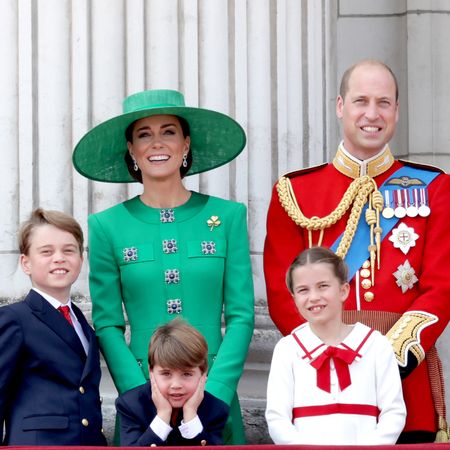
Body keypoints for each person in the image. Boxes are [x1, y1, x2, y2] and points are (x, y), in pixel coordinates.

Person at [264, 59, 450, 443]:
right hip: (318, 382)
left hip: (404, 381)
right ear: (340, 106)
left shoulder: (434, 188)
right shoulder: (294, 192)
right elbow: (284, 293)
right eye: (360, 101)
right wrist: (323, 354)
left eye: (384, 102)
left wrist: (385, 361)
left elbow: (442, 288)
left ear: (396, 110)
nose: (372, 113)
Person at [72, 89, 254, 444]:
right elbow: (107, 322)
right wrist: (141, 393)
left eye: (168, 131)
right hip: (143, 401)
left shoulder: (229, 217)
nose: (158, 143)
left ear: (186, 143)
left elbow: (242, 315)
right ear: (131, 149)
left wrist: (214, 388)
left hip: (213, 392)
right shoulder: (106, 226)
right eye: (144, 134)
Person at [265, 247, 406, 445]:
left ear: (343, 290)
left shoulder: (376, 345)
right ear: (294, 298)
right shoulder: (287, 349)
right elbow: (277, 418)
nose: (313, 297)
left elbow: (394, 412)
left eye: (323, 286)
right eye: (303, 290)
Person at [0, 208, 106, 446]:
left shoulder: (83, 324)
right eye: (46, 252)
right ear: (25, 263)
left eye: (69, 250)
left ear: (80, 258)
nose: (59, 258)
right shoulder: (13, 319)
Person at [116, 318, 229, 446]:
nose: (176, 385)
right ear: (151, 371)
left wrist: (191, 415)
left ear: (203, 373)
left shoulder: (215, 409)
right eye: (166, 374)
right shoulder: (131, 405)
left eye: (187, 374)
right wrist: (163, 416)